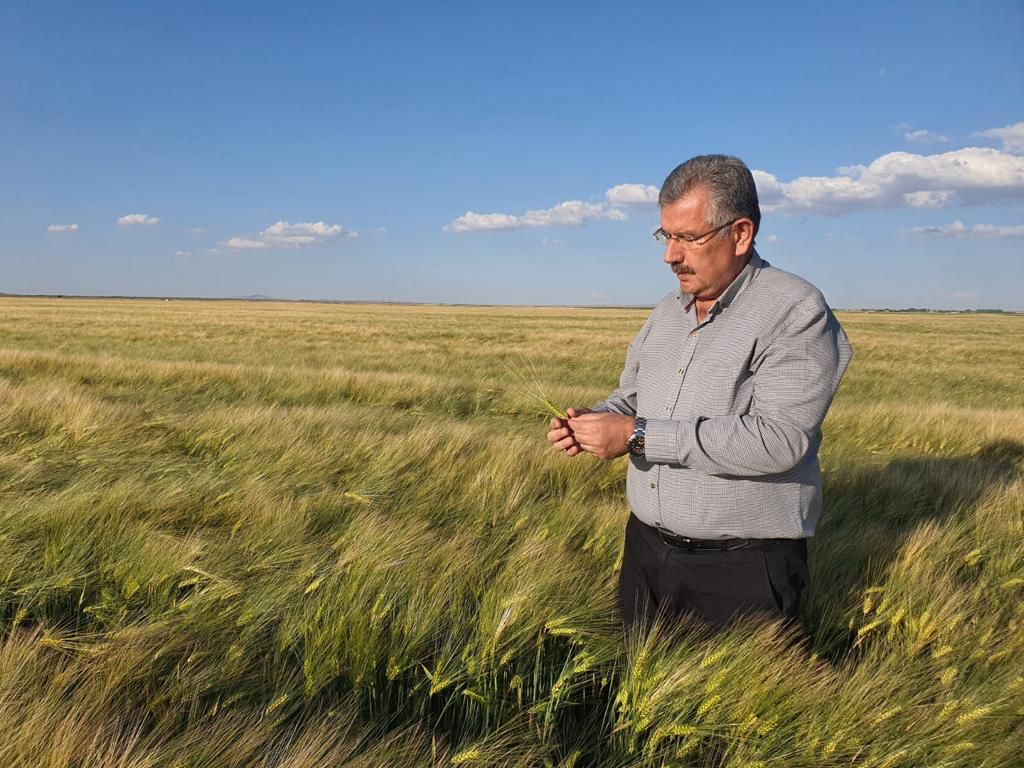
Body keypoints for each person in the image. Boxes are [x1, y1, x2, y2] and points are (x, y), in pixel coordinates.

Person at [546, 154, 852, 633]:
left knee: (738, 709)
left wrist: (635, 435)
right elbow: (634, 396)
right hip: (645, 553)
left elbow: (780, 440)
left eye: (688, 238)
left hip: (742, 570)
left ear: (741, 233)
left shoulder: (795, 310)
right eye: (665, 236)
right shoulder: (667, 311)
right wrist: (593, 420)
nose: (670, 255)